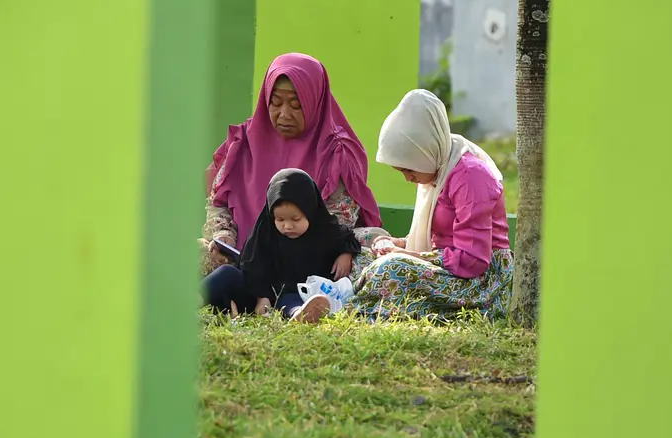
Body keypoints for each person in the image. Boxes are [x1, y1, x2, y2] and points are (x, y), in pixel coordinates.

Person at [330, 89, 513, 322]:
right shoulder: (436, 171)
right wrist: (399, 243)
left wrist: (407, 254)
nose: (408, 178)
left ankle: (340, 304)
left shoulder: (471, 177)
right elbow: (436, 237)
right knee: (361, 257)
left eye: (409, 169)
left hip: (480, 281)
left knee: (392, 268)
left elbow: (473, 261)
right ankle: (342, 298)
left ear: (426, 151)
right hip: (446, 265)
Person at [199, 53, 388, 275]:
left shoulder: (336, 151)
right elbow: (218, 201)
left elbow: (339, 220)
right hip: (243, 256)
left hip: (309, 255)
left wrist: (291, 244)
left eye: (297, 105)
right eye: (276, 103)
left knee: (374, 243)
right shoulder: (243, 142)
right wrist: (223, 236)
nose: (284, 114)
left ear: (315, 102)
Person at [202, 168, 361, 322]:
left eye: (296, 219)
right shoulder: (265, 232)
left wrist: (345, 254)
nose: (287, 226)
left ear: (311, 210)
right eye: (280, 220)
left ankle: (301, 315)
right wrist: (262, 297)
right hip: (259, 294)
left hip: (296, 292)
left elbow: (347, 237)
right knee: (226, 273)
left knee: (293, 298)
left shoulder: (325, 229)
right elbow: (253, 266)